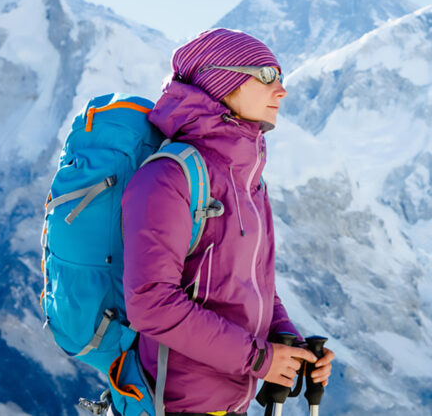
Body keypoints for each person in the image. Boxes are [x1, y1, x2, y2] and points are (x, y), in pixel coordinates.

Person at [120, 28, 334, 415]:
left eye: (282, 77)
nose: (281, 90)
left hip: (231, 405)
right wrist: (258, 359)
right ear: (222, 81)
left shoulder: (249, 181)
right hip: (174, 407)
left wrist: (285, 340)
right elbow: (150, 302)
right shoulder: (170, 176)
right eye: (267, 76)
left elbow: (252, 285)